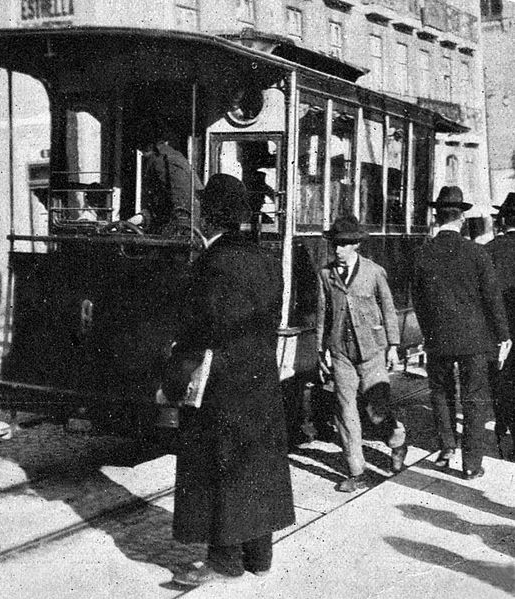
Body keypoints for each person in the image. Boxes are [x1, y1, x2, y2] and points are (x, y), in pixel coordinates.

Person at [165, 173, 294, 587]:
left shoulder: (210, 264)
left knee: (218, 466)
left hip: (220, 382)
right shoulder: (267, 259)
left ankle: (224, 560)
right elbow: (272, 318)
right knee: (257, 463)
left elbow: (199, 327)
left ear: (211, 215)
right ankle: (259, 555)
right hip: (261, 378)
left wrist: (174, 377)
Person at [412, 186, 511, 480]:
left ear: (436, 216)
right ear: (462, 218)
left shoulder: (423, 254)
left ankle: (446, 449)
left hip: (437, 339)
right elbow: (492, 298)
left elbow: (417, 300)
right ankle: (471, 463)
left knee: (441, 394)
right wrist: (503, 335)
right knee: (474, 399)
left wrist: (428, 332)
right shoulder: (476, 252)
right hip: (474, 341)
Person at [316, 215, 408, 493]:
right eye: (335, 245)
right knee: (345, 411)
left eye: (344, 245)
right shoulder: (325, 274)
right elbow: (323, 314)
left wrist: (393, 345)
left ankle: (397, 440)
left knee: (376, 409)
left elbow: (389, 308)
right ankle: (357, 471)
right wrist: (321, 350)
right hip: (340, 352)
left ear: (356, 244)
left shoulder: (374, 272)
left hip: (371, 351)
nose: (338, 250)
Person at [129, 123, 204, 234]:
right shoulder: (171, 158)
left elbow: (183, 211)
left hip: (179, 236)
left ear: (151, 147)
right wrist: (140, 218)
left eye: (144, 152)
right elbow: (162, 207)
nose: (143, 156)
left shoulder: (164, 161)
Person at [485, 192, 515, 458]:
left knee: (501, 379)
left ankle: (502, 424)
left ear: (503, 220)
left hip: (498, 330)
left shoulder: (488, 250)